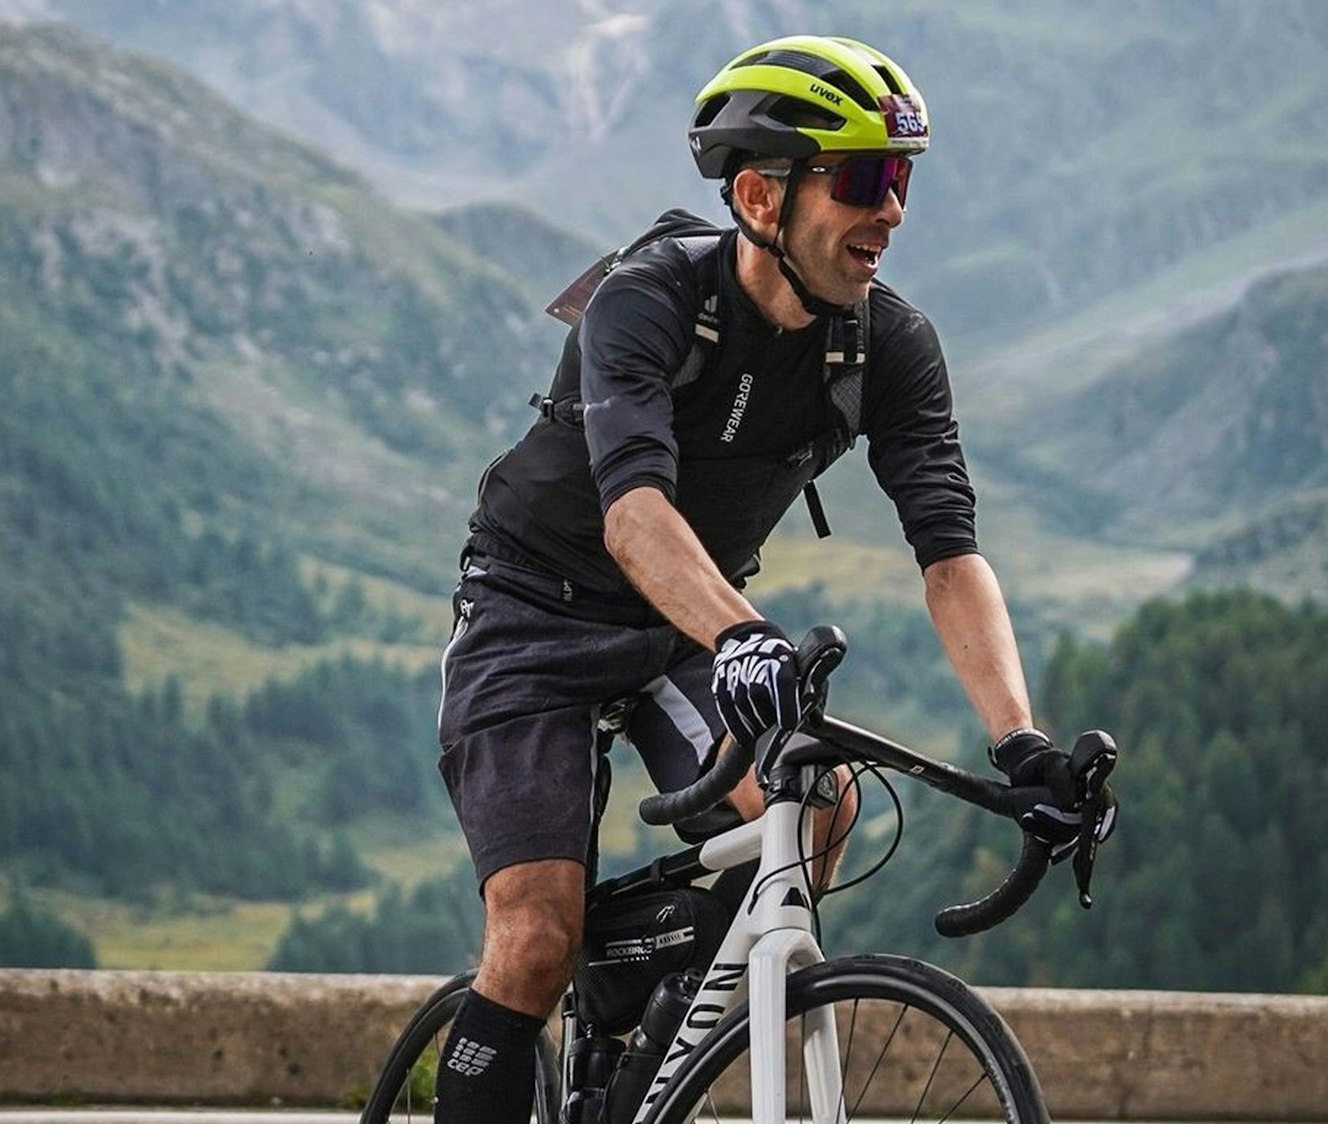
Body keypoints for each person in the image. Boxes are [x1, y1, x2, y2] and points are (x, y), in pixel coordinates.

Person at [431, 35, 1092, 1120]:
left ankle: (653, 1058)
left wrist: (1018, 737)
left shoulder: (888, 345)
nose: (891, 212)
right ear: (756, 193)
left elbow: (949, 552)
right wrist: (745, 635)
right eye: (866, 180)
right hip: (530, 616)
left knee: (820, 813)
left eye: (904, 180)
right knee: (539, 932)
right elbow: (635, 514)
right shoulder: (645, 301)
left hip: (686, 624)